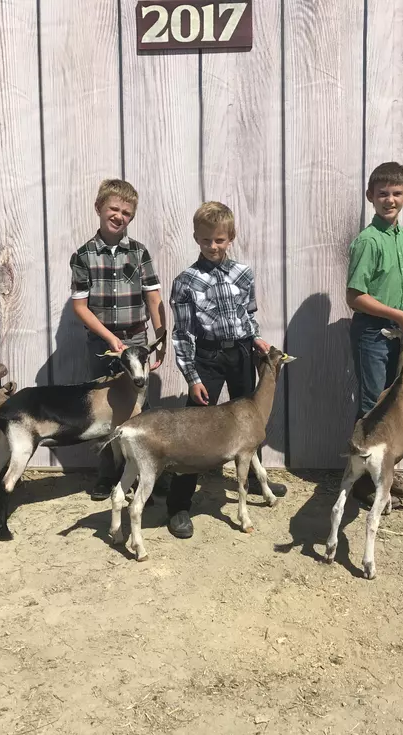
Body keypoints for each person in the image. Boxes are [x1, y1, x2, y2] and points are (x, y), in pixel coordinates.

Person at [167, 201, 286, 539]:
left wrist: (257, 339)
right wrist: (192, 377)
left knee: (252, 419)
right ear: (196, 238)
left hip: (240, 355)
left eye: (219, 240)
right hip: (207, 359)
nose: (213, 246)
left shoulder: (243, 273)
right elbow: (182, 333)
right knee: (194, 427)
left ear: (230, 237)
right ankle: (178, 504)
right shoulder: (186, 281)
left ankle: (258, 482)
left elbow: (248, 314)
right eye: (206, 241)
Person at [69, 178, 167, 500]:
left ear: (131, 217)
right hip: (102, 347)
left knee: (142, 408)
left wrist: (161, 335)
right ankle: (107, 475)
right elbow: (81, 307)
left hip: (137, 341)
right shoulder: (84, 255)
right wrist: (110, 338)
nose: (119, 216)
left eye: (126, 212)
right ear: (99, 208)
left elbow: (153, 297)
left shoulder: (139, 253)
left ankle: (147, 474)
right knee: (103, 410)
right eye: (113, 208)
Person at [346, 161, 403, 507]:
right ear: (370, 197)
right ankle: (364, 482)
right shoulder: (367, 240)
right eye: (382, 194)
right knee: (372, 405)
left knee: (396, 405)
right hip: (374, 333)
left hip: (401, 333)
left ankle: (388, 477)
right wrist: (397, 316)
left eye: (395, 193)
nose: (388, 200)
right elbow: (355, 297)